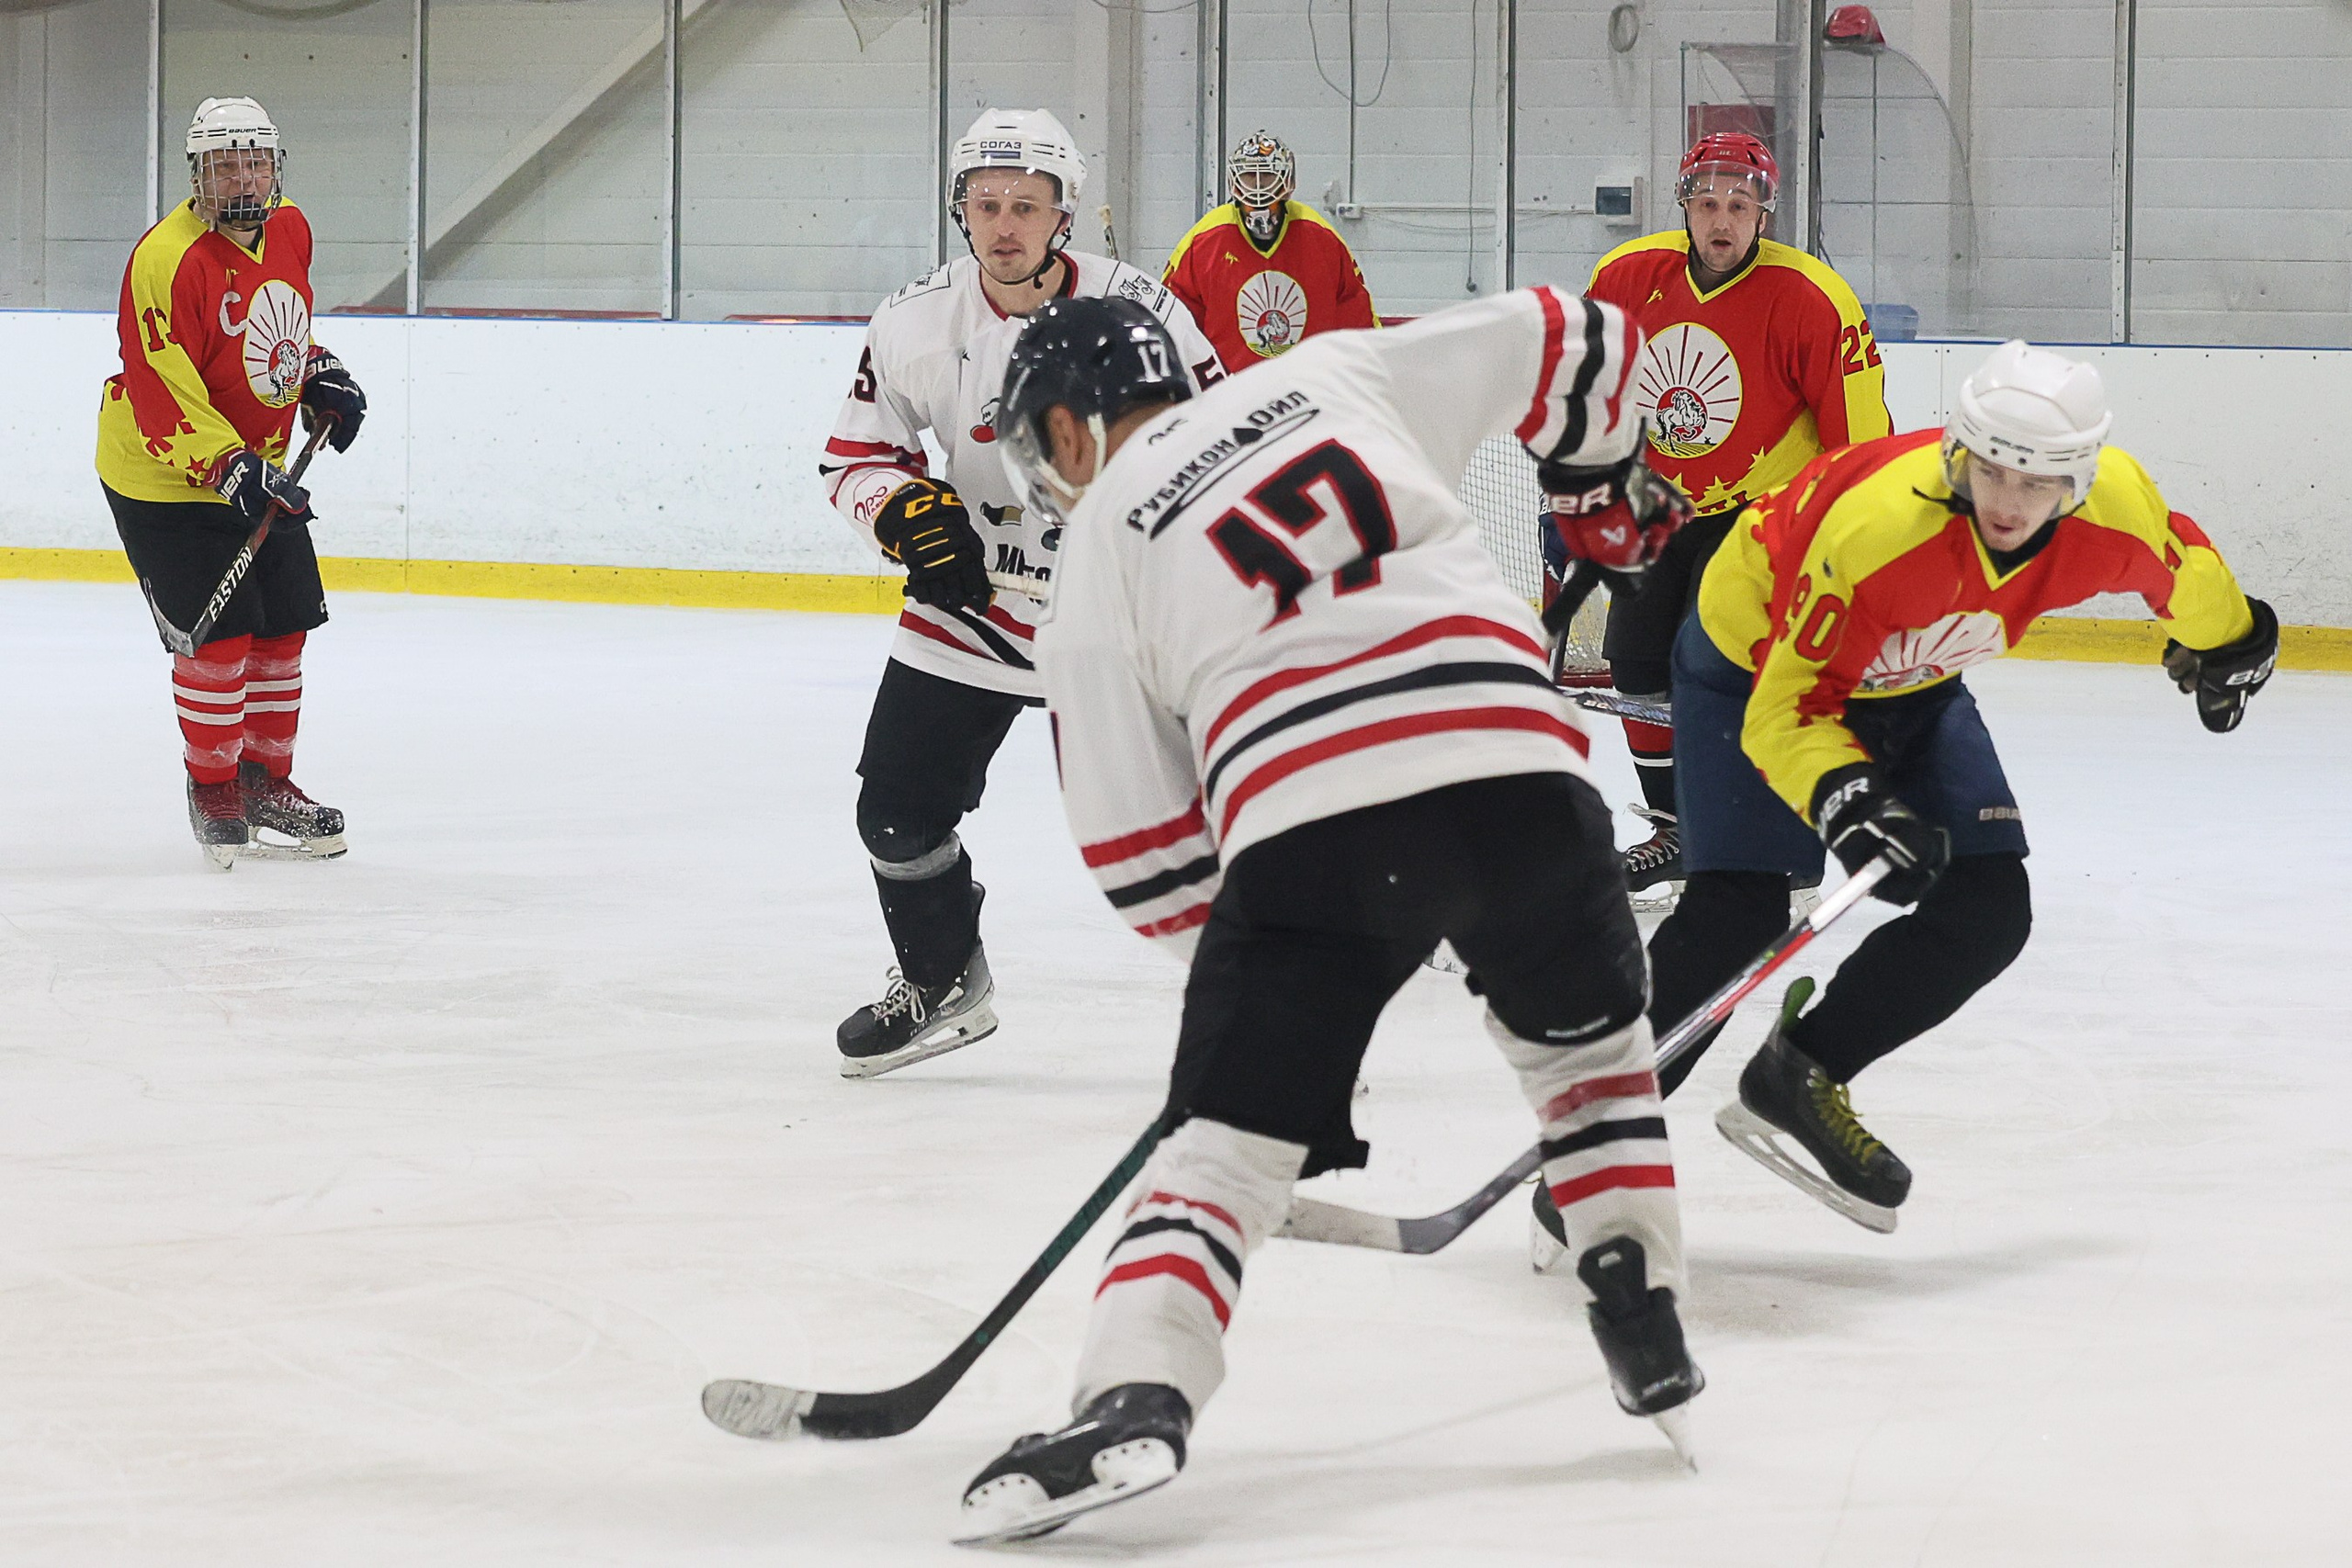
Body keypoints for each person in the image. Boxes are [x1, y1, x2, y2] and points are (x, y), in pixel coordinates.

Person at [952, 287, 1702, 1546]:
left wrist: (1256, 1011)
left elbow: (1139, 847)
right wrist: (1594, 488)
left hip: (1314, 828)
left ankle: (1137, 1388)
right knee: (1590, 1062)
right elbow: (1580, 331)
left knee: (1219, 1153)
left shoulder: (1094, 549)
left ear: (1074, 432)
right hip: (1526, 768)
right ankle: (1638, 1289)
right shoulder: (1340, 372)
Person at [1662, 340, 2272, 1232]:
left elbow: (2184, 576)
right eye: (1989, 471)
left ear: (2077, 479)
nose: (2005, 503)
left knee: (1987, 907)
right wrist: (1847, 799)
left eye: (2036, 483)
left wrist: (2235, 640)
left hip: (1913, 682)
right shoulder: (1878, 530)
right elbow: (1789, 708)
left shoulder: (2115, 518)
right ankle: (1601, 1138)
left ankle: (1801, 1071)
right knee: (1737, 916)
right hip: (1754, 668)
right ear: (1960, 452)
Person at [820, 107, 1224, 1079]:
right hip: (969, 608)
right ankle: (942, 978)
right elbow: (854, 457)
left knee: (1200, 826)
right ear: (962, 210)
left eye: (1025, 207)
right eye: (986, 203)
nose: (1004, 225)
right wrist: (903, 511)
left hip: (1120, 618)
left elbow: (1218, 443)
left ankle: (1281, 1004)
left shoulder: (1144, 309)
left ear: (1063, 216)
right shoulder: (913, 320)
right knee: (895, 817)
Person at [1582, 130, 1891, 902]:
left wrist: (1849, 541)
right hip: (1657, 504)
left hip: (1764, 515)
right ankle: (1677, 829)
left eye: (1741, 206)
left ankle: (1778, 836)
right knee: (1638, 668)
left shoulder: (1813, 296)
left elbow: (1860, 435)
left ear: (1764, 215)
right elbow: (1586, 384)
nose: (1723, 221)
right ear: (1685, 207)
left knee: (1730, 673)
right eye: (1709, 203)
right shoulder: (1626, 275)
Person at [96, 96, 368, 870]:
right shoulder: (166, 257)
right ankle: (213, 787)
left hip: (255, 467)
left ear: (274, 166)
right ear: (198, 176)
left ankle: (264, 782)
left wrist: (317, 373)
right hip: (165, 476)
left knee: (282, 627)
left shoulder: (291, 229)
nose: (241, 176)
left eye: (253, 160)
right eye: (223, 164)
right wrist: (227, 466)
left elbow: (273, 328)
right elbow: (158, 380)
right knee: (220, 640)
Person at [1160, 130, 1379, 374]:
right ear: (1235, 181)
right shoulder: (1203, 241)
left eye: (1266, 176)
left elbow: (1358, 319)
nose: (1257, 186)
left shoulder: (1323, 239)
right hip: (1229, 392)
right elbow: (1173, 318)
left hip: (1306, 391)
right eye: (1248, 177)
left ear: (1288, 182)